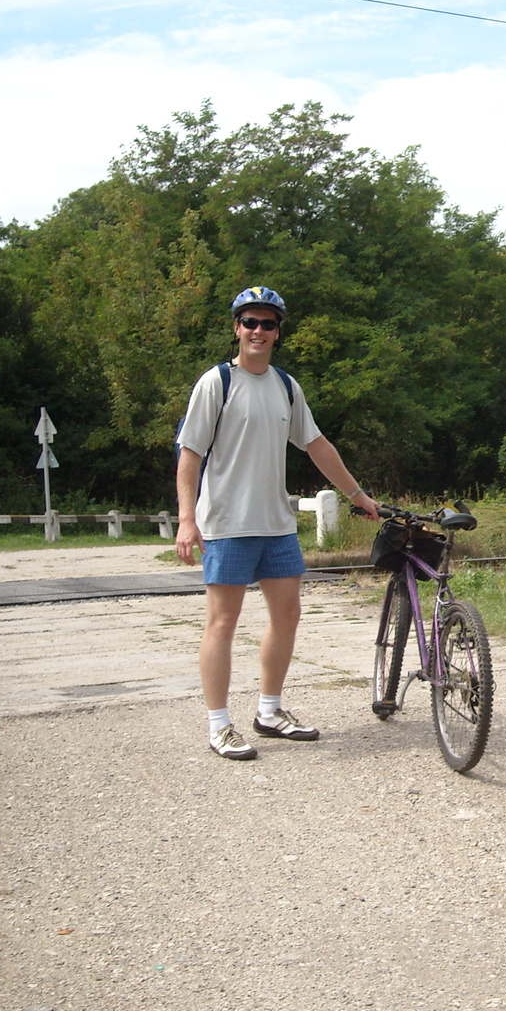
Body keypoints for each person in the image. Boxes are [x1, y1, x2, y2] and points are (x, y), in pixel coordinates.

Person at [175, 286, 380, 761]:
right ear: (236, 328)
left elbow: (316, 444)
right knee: (223, 622)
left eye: (268, 324)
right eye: (250, 322)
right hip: (226, 523)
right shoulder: (216, 383)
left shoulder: (286, 386)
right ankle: (219, 725)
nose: (259, 332)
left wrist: (357, 494)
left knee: (287, 615)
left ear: (278, 332)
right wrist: (188, 519)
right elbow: (190, 454)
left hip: (277, 524)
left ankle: (269, 711)